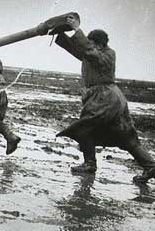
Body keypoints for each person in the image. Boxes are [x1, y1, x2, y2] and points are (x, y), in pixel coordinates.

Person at [54, 15, 155, 183]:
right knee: (125, 135)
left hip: (105, 98)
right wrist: (59, 34)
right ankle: (150, 165)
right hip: (111, 99)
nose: (89, 46)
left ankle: (89, 164)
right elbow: (78, 49)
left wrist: (78, 29)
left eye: (92, 43)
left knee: (85, 127)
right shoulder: (92, 54)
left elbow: (88, 51)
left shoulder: (107, 55)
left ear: (100, 44)